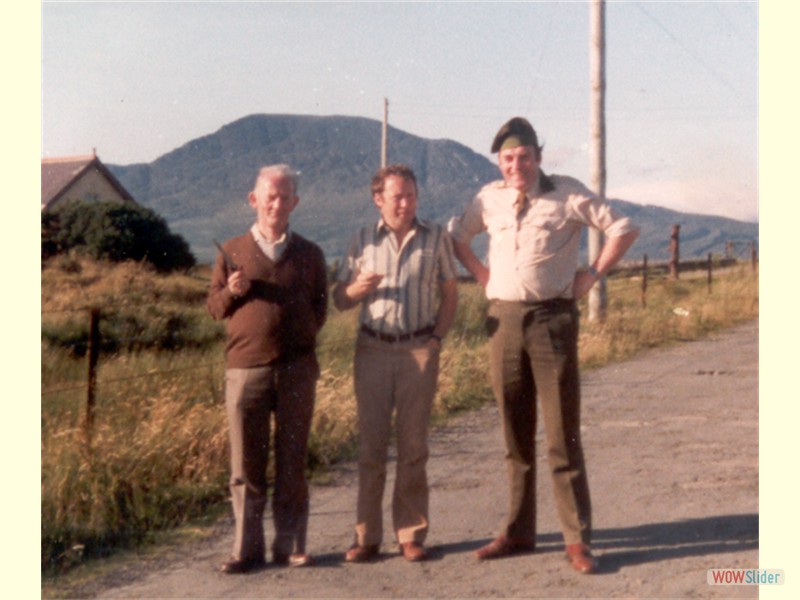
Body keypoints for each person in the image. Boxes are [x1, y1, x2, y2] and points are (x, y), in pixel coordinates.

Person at [449, 117, 639, 574]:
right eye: (508, 159)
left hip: (552, 320)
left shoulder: (567, 193)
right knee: (515, 433)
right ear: (500, 161)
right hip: (504, 320)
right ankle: (518, 530)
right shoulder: (487, 199)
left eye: (525, 157)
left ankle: (577, 539)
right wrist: (480, 275)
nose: (517, 165)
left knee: (561, 434)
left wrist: (592, 275)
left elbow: (623, 228)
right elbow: (458, 237)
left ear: (538, 156)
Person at [333, 164, 458, 563]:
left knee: (413, 445)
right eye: (398, 196)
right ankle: (366, 537)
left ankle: (411, 535)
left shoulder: (436, 236)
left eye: (412, 195)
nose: (406, 203)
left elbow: (450, 295)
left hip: (418, 348)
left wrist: (436, 339)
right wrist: (356, 289)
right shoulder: (361, 240)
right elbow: (339, 298)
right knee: (370, 447)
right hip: (372, 349)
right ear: (379, 199)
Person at [207, 164, 328, 574]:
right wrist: (231, 291)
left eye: (285, 196)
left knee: (293, 461)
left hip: (296, 371)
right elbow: (214, 308)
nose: (277, 204)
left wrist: (296, 341)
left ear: (295, 202)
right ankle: (246, 549)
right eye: (269, 196)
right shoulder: (232, 250)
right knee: (245, 465)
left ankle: (290, 546)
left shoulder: (311, 254)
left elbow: (319, 309)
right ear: (254, 200)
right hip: (245, 371)